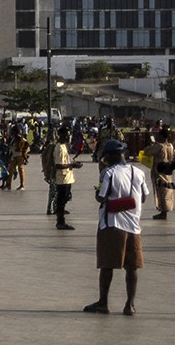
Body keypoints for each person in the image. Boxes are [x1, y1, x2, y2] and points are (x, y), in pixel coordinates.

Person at [87, 138, 151, 315]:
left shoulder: (108, 173)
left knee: (107, 265)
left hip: (112, 224)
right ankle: (129, 305)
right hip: (134, 225)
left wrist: (98, 192)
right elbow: (144, 197)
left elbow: (101, 197)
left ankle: (103, 302)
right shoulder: (138, 172)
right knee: (132, 267)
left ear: (111, 156)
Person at [45, 124, 80, 231]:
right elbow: (58, 165)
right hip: (62, 178)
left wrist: (72, 163)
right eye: (66, 135)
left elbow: (65, 161)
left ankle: (61, 219)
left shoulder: (64, 146)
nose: (68, 137)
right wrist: (72, 165)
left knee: (65, 199)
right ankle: (60, 222)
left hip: (67, 177)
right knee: (61, 200)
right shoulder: (59, 148)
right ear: (61, 135)